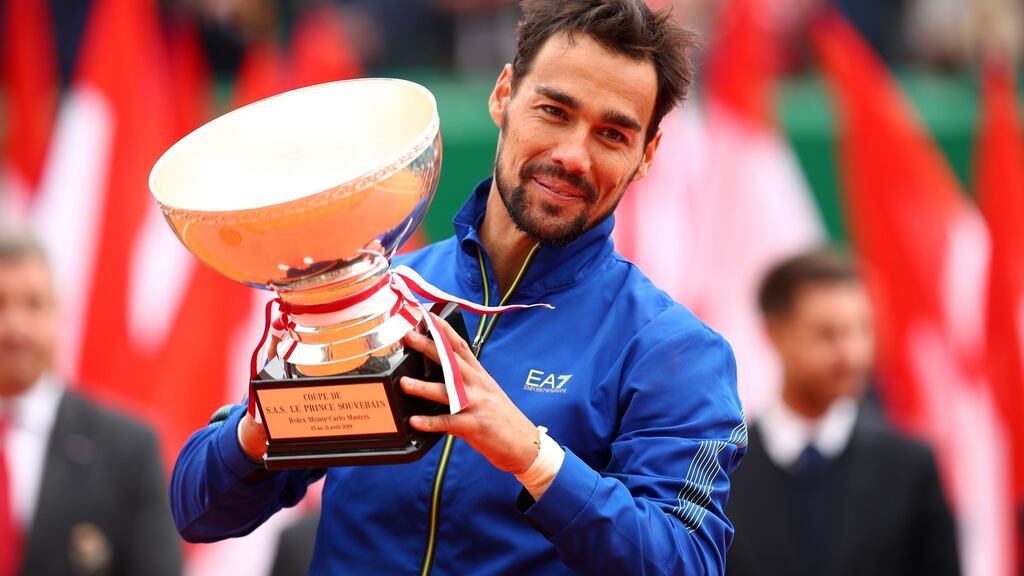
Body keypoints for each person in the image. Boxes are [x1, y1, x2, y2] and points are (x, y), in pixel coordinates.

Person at [170, 1, 746, 573]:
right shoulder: (384, 299)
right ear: (503, 95)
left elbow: (687, 561)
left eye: (612, 134)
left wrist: (532, 454)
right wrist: (263, 429)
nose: (573, 154)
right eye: (553, 111)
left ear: (646, 156)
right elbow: (199, 513)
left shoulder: (674, 351)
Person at [726, 250, 960, 576]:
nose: (850, 353)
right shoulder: (725, 473)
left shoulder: (911, 468)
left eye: (861, 330)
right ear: (774, 335)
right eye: (827, 335)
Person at [0, 229, 182, 576]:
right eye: (0, 304)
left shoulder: (129, 450)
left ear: (58, 316)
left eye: (32, 304)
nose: (14, 325)